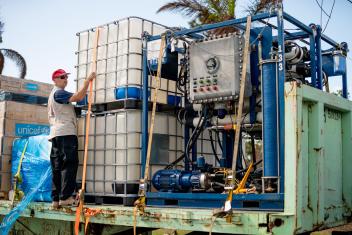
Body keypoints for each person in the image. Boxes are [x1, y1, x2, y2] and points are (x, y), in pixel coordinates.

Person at [48, 69, 96, 209]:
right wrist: (87, 81)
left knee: (57, 167)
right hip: (66, 133)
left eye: (66, 77)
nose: (65, 79)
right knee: (69, 164)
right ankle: (66, 197)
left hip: (56, 134)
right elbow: (78, 97)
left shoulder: (53, 95)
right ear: (55, 80)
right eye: (62, 77)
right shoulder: (59, 93)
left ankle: (56, 199)